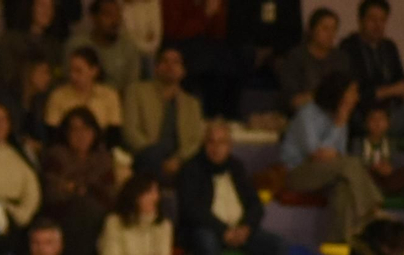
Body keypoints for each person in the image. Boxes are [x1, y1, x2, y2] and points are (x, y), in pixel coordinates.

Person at [176, 121, 287, 255]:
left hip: (239, 230)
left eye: (221, 143)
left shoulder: (237, 167)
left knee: (277, 245)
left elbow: (255, 205)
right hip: (208, 229)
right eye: (211, 142)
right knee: (205, 240)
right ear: (204, 144)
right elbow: (192, 210)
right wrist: (223, 230)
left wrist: (246, 228)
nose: (216, 148)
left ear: (229, 146)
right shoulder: (191, 169)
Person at [280, 70, 383, 244]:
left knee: (343, 189)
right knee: (350, 164)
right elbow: (316, 154)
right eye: (353, 92)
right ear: (339, 93)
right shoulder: (308, 114)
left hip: (328, 173)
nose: (356, 98)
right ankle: (372, 209)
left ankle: (337, 245)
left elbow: (338, 153)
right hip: (297, 173)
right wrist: (338, 125)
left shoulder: (341, 116)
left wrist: (340, 123)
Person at [43, 107, 119, 255]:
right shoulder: (56, 156)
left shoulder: (103, 159)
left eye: (86, 129)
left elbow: (109, 194)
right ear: (66, 133)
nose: (81, 135)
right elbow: (52, 191)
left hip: (98, 216)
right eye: (74, 129)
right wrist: (84, 189)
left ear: (94, 132)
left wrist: (76, 186)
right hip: (63, 215)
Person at [339, 0, 404, 135]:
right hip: (366, 116)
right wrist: (390, 91)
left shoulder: (389, 46)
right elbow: (354, 94)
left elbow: (400, 77)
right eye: (372, 19)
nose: (378, 25)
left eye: (382, 20)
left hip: (394, 107)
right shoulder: (348, 48)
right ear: (361, 20)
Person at [123, 46, 204, 180]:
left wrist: (177, 160)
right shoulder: (137, 92)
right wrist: (155, 156)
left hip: (179, 160)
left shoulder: (192, 103)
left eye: (175, 62)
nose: (170, 66)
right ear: (156, 67)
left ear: (183, 70)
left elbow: (195, 140)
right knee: (151, 158)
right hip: (147, 154)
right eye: (165, 61)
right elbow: (130, 131)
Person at [161, 0, 251, 119]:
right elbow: (175, 31)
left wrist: (213, 12)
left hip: (207, 47)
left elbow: (217, 32)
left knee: (234, 57)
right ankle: (209, 116)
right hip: (178, 43)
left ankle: (227, 117)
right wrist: (206, 13)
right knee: (211, 63)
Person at [0, 103, 43, 229]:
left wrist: (21, 216)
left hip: (16, 219)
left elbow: (32, 193)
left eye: (1, 119)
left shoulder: (21, 155)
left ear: (9, 123)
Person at [276, 6, 350, 113]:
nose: (330, 34)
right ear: (312, 29)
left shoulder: (341, 58)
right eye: (325, 29)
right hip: (303, 116)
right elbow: (292, 100)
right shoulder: (296, 57)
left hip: (335, 115)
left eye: (333, 29)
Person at [67, 0, 144, 98]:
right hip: (79, 101)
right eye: (108, 15)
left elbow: (132, 88)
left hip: (118, 104)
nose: (115, 21)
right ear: (94, 18)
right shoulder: (76, 44)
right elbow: (67, 82)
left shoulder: (129, 47)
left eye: (118, 15)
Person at [46, 47, 125, 135]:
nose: (73, 76)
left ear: (94, 71)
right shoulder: (58, 96)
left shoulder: (110, 95)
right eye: (71, 70)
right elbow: (52, 132)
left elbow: (114, 133)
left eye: (78, 71)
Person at [0, 0, 65, 101]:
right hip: (15, 100)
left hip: (47, 100)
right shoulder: (9, 41)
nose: (47, 11)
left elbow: (58, 74)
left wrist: (47, 81)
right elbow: (6, 75)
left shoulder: (55, 47)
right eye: (42, 6)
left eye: (51, 8)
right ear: (30, 7)